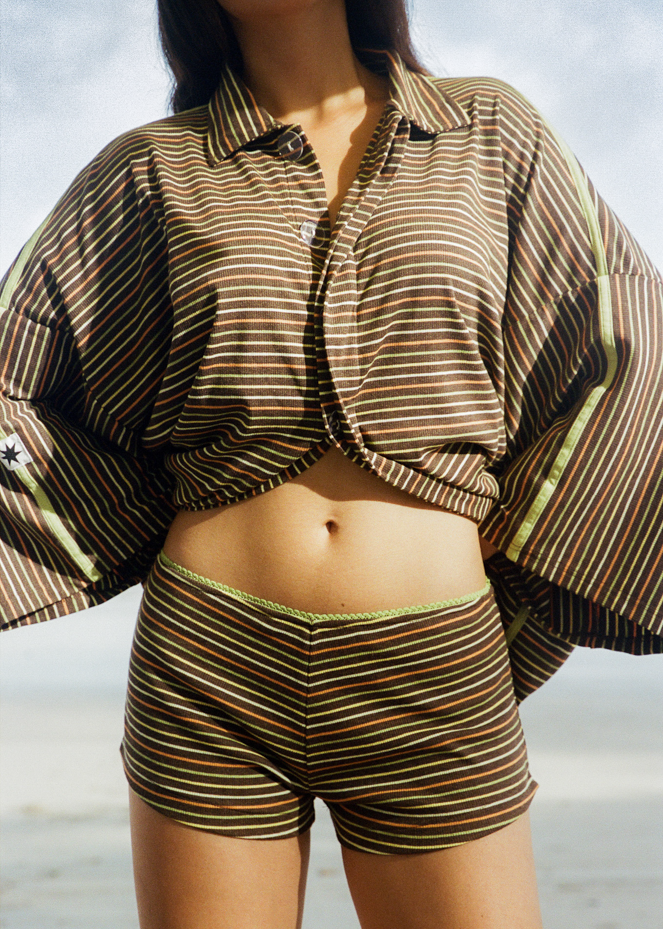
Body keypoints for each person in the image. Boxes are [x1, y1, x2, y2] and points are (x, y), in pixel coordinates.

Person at [1, 1, 661, 927]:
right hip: (208, 658)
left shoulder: (490, 130)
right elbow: (18, 372)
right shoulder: (149, 169)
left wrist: (519, 559)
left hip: (435, 658)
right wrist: (132, 515)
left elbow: (622, 339)